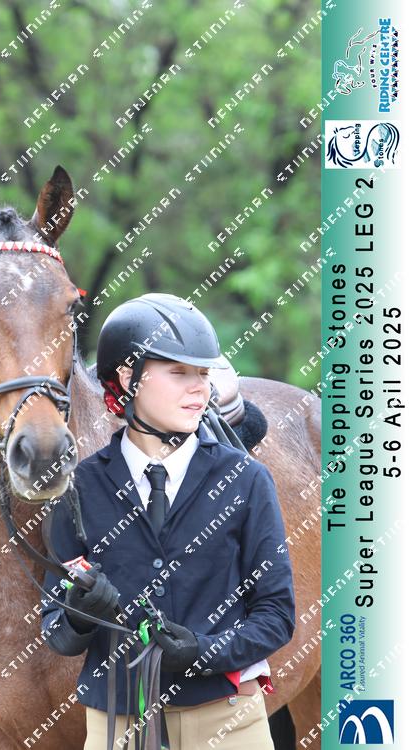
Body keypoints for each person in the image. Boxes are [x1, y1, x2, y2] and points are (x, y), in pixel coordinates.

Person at [41, 293, 295, 749]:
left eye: (203, 374)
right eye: (179, 373)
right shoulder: (77, 488)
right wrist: (80, 615)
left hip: (228, 720)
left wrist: (204, 651)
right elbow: (56, 633)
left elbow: (276, 617)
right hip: (117, 723)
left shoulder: (247, 480)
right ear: (128, 377)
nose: (200, 389)